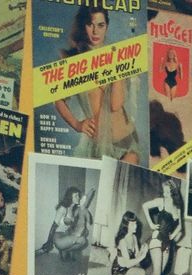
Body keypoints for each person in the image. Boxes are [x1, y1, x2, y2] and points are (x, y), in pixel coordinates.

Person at [53, 6, 140, 162]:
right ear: (83, 25)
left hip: (126, 141)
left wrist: (116, 69)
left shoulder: (115, 55)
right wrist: (76, 124)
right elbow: (58, 100)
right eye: (90, 24)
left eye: (101, 25)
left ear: (107, 26)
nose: (95, 32)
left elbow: (115, 105)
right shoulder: (74, 62)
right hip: (97, 147)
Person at [36, 186, 96, 263]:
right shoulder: (63, 208)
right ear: (70, 197)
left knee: (85, 237)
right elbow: (54, 226)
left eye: (78, 195)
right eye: (76, 196)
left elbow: (85, 201)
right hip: (58, 236)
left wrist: (91, 191)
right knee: (82, 240)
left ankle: (64, 251)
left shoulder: (75, 209)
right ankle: (61, 249)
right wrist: (49, 242)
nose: (78, 197)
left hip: (66, 234)